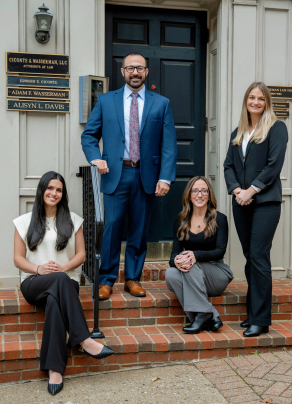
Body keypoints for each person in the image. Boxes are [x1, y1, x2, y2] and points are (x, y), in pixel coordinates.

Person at [81, 52, 177, 300]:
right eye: (130, 68)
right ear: (122, 72)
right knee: (112, 228)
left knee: (139, 229)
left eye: (140, 68)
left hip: (147, 175)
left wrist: (165, 178)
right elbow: (89, 136)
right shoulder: (105, 101)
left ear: (146, 72)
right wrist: (95, 158)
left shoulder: (161, 103)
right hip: (116, 173)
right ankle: (106, 280)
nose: (135, 72)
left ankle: (133, 279)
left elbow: (168, 145)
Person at [13, 171, 114, 396]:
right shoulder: (24, 222)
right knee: (57, 283)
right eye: (50, 188)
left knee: (55, 302)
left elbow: (81, 255)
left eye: (59, 190)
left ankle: (55, 369)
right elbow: (18, 259)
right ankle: (84, 339)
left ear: (63, 194)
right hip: (33, 283)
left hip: (65, 282)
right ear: (42, 190)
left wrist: (64, 268)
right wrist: (39, 269)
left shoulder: (73, 220)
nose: (54, 193)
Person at [224, 82, 288, 337]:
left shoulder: (276, 127)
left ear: (267, 102)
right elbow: (229, 165)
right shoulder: (238, 132)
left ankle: (261, 320)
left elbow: (274, 165)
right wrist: (237, 191)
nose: (256, 102)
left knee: (260, 257)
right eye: (252, 97)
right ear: (246, 101)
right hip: (241, 202)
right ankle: (253, 313)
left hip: (265, 203)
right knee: (251, 257)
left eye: (261, 98)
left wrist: (251, 190)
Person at [165, 176, 233, 334]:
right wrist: (176, 260)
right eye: (195, 191)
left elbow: (220, 251)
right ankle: (209, 315)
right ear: (189, 195)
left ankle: (202, 314)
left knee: (190, 261)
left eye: (204, 191)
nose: (199, 195)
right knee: (171, 274)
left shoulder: (220, 219)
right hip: (193, 275)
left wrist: (194, 255)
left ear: (209, 195)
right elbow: (173, 255)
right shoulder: (181, 220)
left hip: (217, 274)